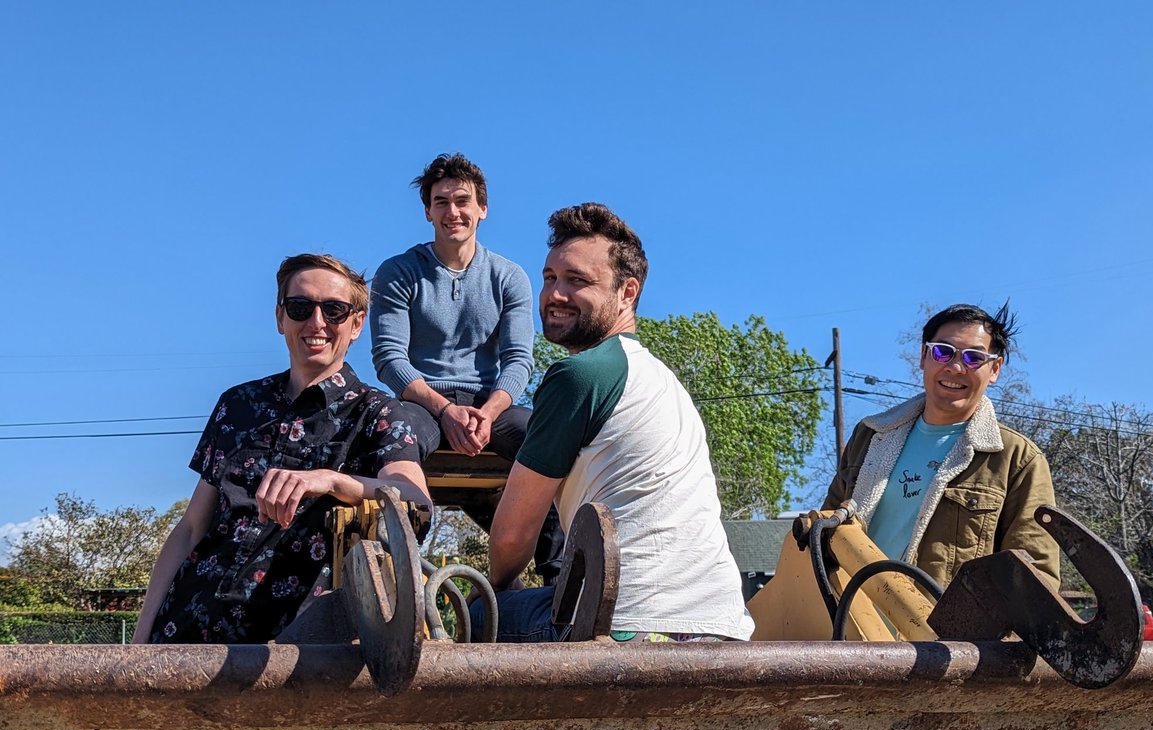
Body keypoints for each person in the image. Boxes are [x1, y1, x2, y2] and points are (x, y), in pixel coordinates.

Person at [475, 203, 755, 643]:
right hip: (722, 629)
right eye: (550, 278)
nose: (555, 295)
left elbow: (512, 537)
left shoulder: (581, 375)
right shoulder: (662, 382)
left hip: (627, 624)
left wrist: (502, 587)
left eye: (577, 281)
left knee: (475, 612)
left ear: (628, 292)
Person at [133, 254, 431, 644]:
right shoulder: (236, 405)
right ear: (280, 318)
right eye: (300, 307)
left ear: (357, 323)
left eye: (335, 310)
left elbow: (414, 501)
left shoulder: (377, 414)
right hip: (188, 633)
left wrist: (330, 481)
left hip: (294, 649)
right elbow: (191, 529)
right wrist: (140, 638)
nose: (317, 322)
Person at [369, 152, 561, 583]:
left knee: (545, 437)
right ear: (427, 211)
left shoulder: (508, 276)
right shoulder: (398, 273)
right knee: (393, 436)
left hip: (489, 403)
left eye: (462, 201)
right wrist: (443, 410)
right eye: (441, 202)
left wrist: (488, 413)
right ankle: (396, 577)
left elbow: (518, 359)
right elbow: (389, 359)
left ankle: (561, 579)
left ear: (482, 209)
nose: (452, 212)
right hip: (422, 400)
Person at [823, 303, 1059, 589]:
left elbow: (1035, 577)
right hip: (848, 624)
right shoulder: (870, 436)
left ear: (995, 368)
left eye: (974, 358)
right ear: (924, 355)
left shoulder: (1018, 460)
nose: (956, 367)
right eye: (942, 352)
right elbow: (822, 534)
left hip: (939, 633)